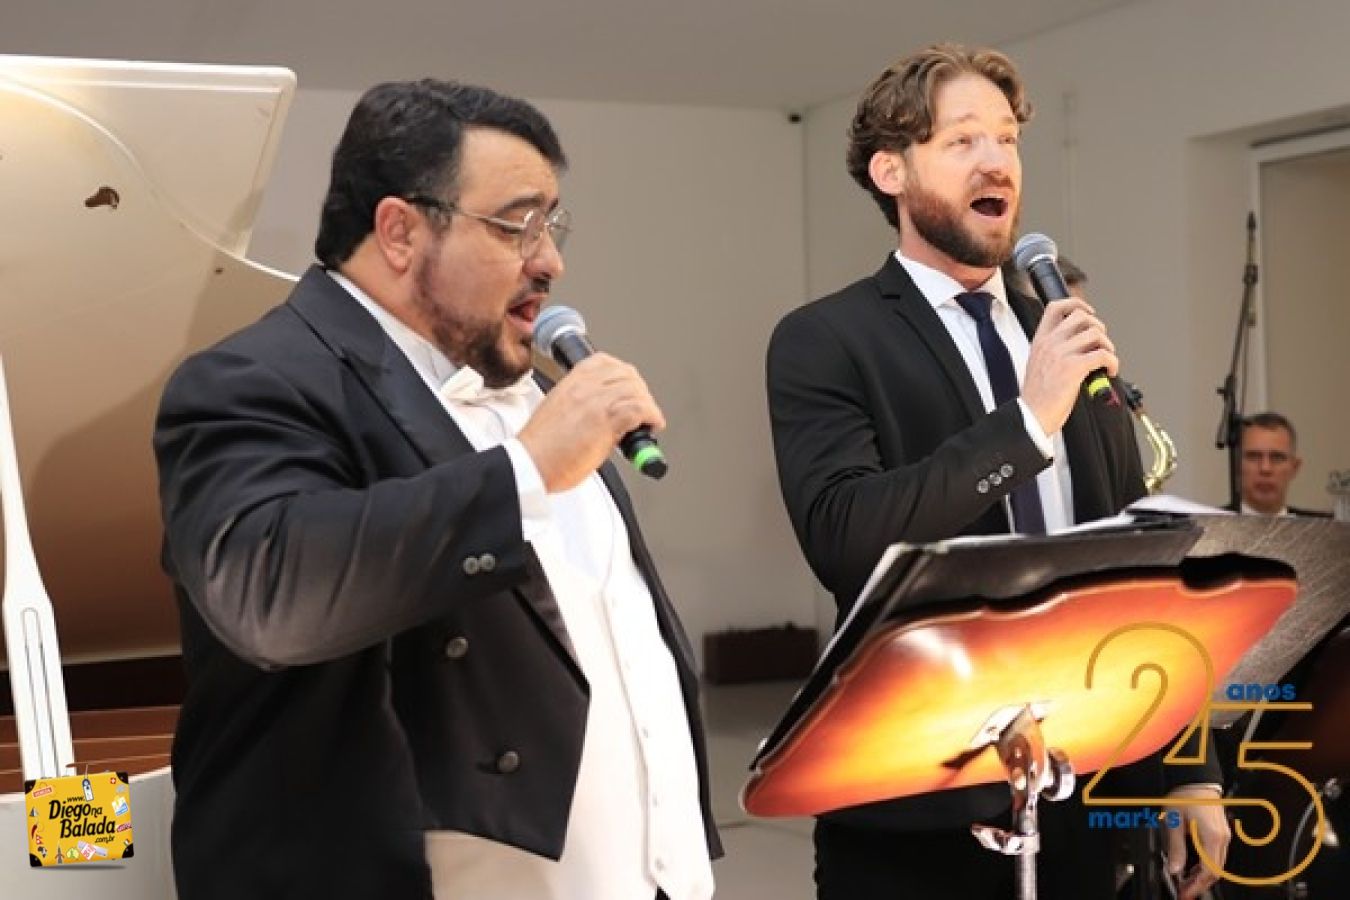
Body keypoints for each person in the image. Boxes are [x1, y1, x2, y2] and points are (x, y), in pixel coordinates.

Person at [155, 79, 719, 900]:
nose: (550, 261)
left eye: (552, 225)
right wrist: (525, 471)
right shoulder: (249, 379)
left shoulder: (531, 391)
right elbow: (265, 592)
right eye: (518, 225)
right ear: (400, 231)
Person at [765, 44, 1228, 899]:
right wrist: (1026, 423)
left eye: (1008, 139)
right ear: (891, 172)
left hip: (1086, 795)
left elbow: (1146, 563)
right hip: (913, 807)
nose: (997, 162)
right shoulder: (826, 340)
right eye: (963, 140)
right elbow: (844, 536)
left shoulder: (1063, 336)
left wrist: (1189, 772)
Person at [1230, 411, 1329, 516]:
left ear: (1294, 468)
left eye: (1277, 458)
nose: (1265, 468)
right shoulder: (1217, 522)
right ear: (1237, 465)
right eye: (1254, 456)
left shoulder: (1326, 525)